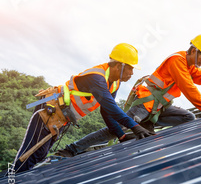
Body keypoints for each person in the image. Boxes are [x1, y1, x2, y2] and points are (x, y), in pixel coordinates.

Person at [56, 34, 201, 157]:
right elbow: (188, 87)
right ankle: (72, 150)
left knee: (187, 118)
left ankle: (151, 136)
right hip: (144, 105)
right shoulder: (177, 61)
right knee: (115, 129)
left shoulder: (190, 67)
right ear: (193, 51)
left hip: (159, 109)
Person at [12, 43, 154, 173]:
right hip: (49, 113)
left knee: (39, 155)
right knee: (28, 158)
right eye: (130, 68)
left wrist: (121, 135)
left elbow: (106, 112)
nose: (132, 73)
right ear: (119, 66)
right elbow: (110, 107)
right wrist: (135, 127)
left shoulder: (114, 83)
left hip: (60, 119)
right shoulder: (97, 77)